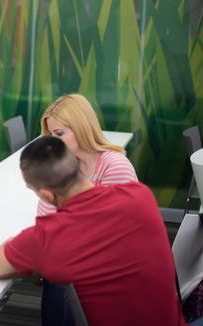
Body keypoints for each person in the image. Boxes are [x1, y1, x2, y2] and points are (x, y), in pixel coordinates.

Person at [0, 136, 186, 325]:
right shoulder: (140, 195)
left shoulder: (46, 237)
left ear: (46, 195)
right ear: (79, 165)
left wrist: (27, 262)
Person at [37, 93, 138, 325]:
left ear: (81, 128)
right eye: (51, 135)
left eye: (60, 134)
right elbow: (46, 224)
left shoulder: (115, 166)